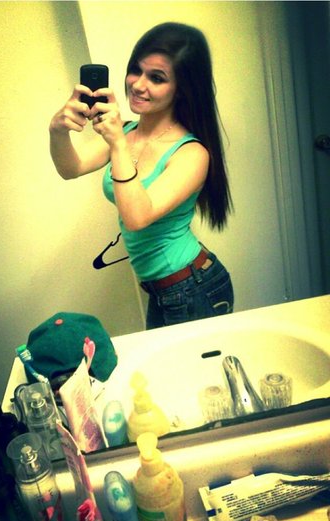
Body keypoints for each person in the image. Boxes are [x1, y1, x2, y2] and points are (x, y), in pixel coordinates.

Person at [49, 22, 234, 330]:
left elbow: (137, 217)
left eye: (156, 78)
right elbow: (71, 168)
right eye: (136, 70)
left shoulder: (191, 153)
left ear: (181, 89)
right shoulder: (126, 131)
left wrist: (117, 144)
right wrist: (57, 131)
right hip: (162, 289)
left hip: (194, 286)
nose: (137, 84)